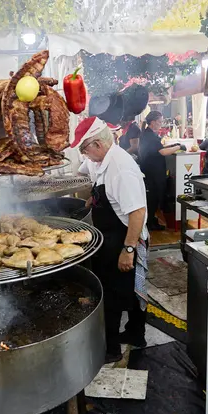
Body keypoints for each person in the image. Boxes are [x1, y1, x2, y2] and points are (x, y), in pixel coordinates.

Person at [73, 117, 149, 363]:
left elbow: (137, 212)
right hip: (110, 234)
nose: (83, 155)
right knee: (130, 289)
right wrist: (91, 201)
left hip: (124, 235)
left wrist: (128, 249)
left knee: (113, 294)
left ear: (97, 144)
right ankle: (136, 334)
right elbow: (96, 184)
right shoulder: (101, 159)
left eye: (84, 149)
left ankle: (112, 349)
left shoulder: (121, 168)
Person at [139, 111, 186, 231]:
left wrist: (172, 146)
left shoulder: (147, 134)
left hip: (149, 171)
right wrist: (179, 147)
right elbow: (163, 152)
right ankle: (150, 223)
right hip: (153, 172)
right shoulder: (150, 136)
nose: (161, 124)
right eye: (159, 122)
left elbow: (159, 148)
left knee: (152, 199)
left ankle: (150, 220)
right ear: (153, 122)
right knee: (153, 199)